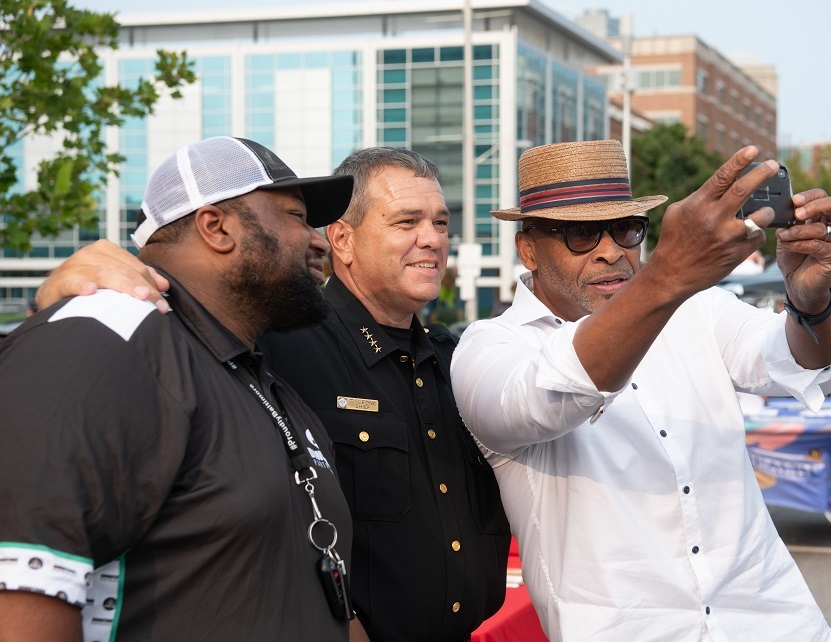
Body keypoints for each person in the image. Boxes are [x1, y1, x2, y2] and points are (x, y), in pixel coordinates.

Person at [34, 146, 511, 642]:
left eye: (441, 222)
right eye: (407, 221)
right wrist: (79, 282)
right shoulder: (270, 344)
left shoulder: (453, 359)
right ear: (343, 240)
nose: (432, 240)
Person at [450, 139, 831, 641]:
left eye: (625, 228)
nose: (610, 251)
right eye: (580, 235)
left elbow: (805, 362)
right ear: (528, 248)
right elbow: (557, 393)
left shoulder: (697, 309)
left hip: (774, 621)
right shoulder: (490, 349)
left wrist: (810, 302)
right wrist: (668, 273)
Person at [0, 137, 356, 640]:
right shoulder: (108, 333)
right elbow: (19, 591)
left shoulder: (258, 375)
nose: (318, 240)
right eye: (297, 215)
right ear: (216, 227)